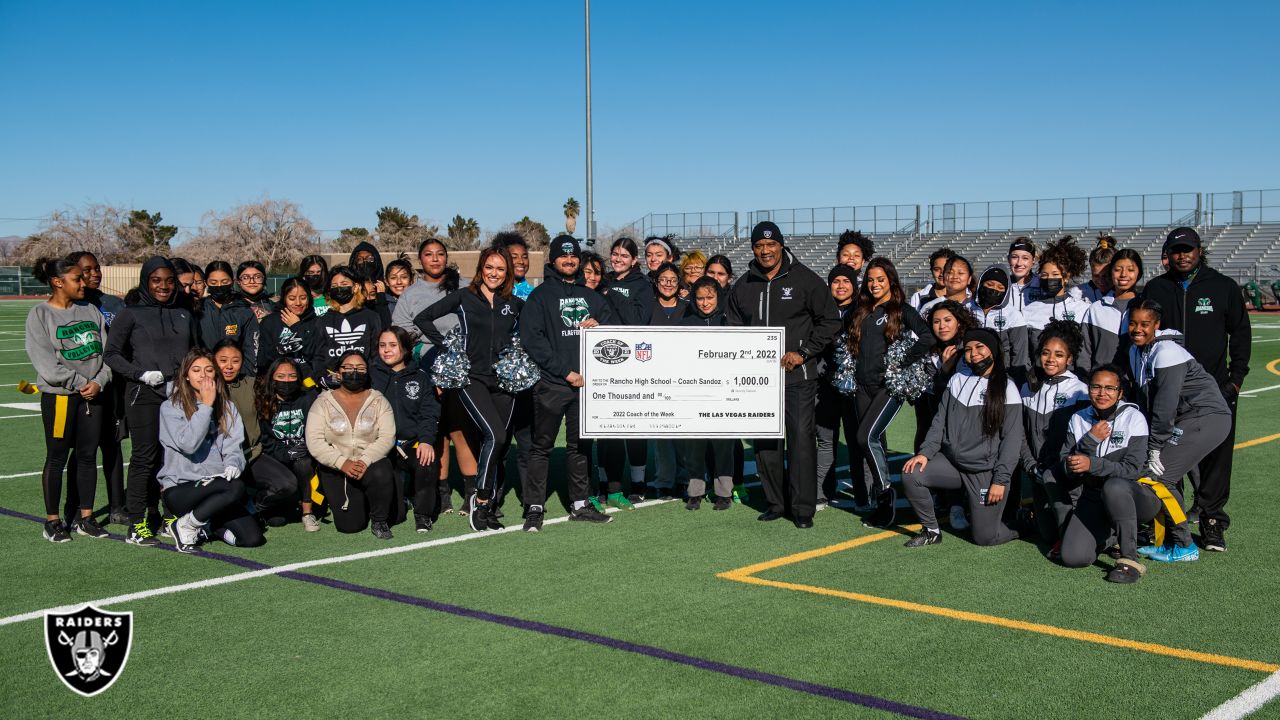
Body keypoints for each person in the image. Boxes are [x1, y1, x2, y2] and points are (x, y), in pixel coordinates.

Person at [1140, 227, 1250, 552]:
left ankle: (1212, 520)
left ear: (1199, 251)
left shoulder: (1222, 287)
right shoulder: (1156, 288)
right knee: (1171, 457)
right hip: (1168, 390)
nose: (1182, 255)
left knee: (1217, 458)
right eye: (1176, 251)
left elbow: (1241, 334)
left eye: (1188, 249)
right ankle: (1169, 518)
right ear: (1167, 255)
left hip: (1213, 392)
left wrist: (1236, 379)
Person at [728, 221, 841, 529]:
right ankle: (776, 503)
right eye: (759, 246)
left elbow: (830, 321)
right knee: (765, 442)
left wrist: (804, 352)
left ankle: (803, 508)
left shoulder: (805, 279)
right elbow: (734, 329)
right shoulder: (743, 285)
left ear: (781, 245)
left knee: (801, 440)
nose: (765, 251)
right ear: (753, 249)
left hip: (798, 377)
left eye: (771, 245)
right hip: (758, 382)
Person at [416, 247, 521, 532]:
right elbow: (422, 319)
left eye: (500, 269)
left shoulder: (513, 303)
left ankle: (490, 507)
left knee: (498, 446)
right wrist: (447, 346)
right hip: (471, 378)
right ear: (480, 268)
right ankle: (481, 500)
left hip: (502, 380)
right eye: (489, 267)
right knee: (496, 435)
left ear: (507, 272)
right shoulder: (464, 297)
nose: (494, 273)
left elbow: (532, 331)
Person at [518, 235, 617, 531]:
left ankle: (579, 503)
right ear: (552, 260)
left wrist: (601, 327)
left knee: (580, 447)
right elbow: (532, 340)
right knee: (542, 447)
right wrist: (565, 372)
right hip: (553, 384)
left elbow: (616, 331)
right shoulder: (540, 296)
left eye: (573, 256)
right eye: (563, 256)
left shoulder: (593, 297)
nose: (569, 260)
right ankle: (534, 507)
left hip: (586, 385)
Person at [1127, 299, 1232, 560]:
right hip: (1186, 421)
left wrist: (1154, 448)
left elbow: (1165, 407)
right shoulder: (1136, 351)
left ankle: (1184, 545)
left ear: (1157, 325)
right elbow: (1147, 403)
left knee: (1158, 476)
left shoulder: (1167, 351)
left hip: (1207, 417)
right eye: (1132, 323)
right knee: (1159, 476)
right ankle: (1165, 542)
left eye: (1145, 324)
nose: (1137, 329)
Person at [105, 256, 198, 547]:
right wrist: (140, 374)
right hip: (143, 394)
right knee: (145, 458)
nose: (164, 286)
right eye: (156, 280)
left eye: (169, 281)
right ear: (146, 281)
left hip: (178, 395)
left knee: (174, 457)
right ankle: (137, 523)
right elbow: (112, 355)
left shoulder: (183, 314)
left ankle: (169, 516)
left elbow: (195, 352)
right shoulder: (130, 313)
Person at [901, 328, 1022, 548]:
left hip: (984, 471)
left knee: (984, 538)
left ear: (993, 351)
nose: (973, 353)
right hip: (953, 464)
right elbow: (939, 422)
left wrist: (1000, 480)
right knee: (912, 474)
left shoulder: (1008, 388)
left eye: (979, 347)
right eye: (968, 349)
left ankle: (1019, 526)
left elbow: (1012, 441)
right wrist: (925, 453)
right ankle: (931, 531)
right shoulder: (957, 379)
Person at [25, 257, 111, 542]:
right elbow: (48, 366)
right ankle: (52, 521)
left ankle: (85, 518)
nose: (84, 283)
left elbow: (107, 356)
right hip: (61, 398)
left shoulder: (91, 311)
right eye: (77, 278)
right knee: (57, 456)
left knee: (87, 457)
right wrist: (80, 383)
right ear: (58, 282)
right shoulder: (40, 315)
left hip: (93, 396)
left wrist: (99, 382)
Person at [846, 257, 934, 528]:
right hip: (862, 385)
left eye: (880, 280)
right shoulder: (860, 310)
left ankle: (886, 495)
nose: (874, 284)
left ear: (891, 281)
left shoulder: (901, 310)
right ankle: (880, 501)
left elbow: (927, 337)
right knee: (875, 442)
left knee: (865, 436)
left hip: (889, 386)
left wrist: (903, 361)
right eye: (870, 280)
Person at [158, 349, 263, 551]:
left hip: (218, 489)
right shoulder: (171, 407)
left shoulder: (228, 407)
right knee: (235, 487)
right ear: (186, 376)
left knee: (252, 538)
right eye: (196, 370)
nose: (204, 375)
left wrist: (233, 464)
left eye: (209, 370)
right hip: (182, 489)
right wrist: (206, 406)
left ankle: (208, 526)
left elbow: (234, 446)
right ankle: (185, 525)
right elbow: (188, 444)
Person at [1057, 365, 1153, 583]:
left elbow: (1133, 470)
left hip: (1136, 498)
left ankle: (1129, 560)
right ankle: (1111, 536)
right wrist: (1089, 442)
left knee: (1115, 486)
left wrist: (1092, 464)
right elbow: (1065, 466)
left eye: (1110, 388)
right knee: (1073, 557)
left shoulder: (1134, 418)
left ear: (1120, 393)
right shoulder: (1078, 418)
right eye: (1096, 387)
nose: (1102, 393)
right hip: (1094, 496)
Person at [305, 350, 398, 538]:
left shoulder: (379, 400)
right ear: (338, 373)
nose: (354, 372)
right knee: (350, 526)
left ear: (367, 372)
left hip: (371, 465)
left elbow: (387, 436)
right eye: (348, 367)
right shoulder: (322, 402)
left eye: (360, 368)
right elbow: (314, 441)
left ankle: (379, 519)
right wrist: (342, 463)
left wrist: (365, 460)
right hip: (337, 469)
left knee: (384, 478)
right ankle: (362, 499)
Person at [1019, 320, 1090, 550]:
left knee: (1067, 539)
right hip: (1036, 473)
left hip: (1064, 475)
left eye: (1059, 355)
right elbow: (1019, 431)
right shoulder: (1028, 387)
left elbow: (1080, 441)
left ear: (1069, 359)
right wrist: (1030, 464)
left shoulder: (1079, 391)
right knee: (1047, 536)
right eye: (1046, 353)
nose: (1051, 359)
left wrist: (1058, 466)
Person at [68, 250, 128, 524]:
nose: (94, 274)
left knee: (112, 447)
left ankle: (117, 507)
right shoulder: (70, 306)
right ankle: (76, 507)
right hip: (81, 390)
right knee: (81, 451)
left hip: (112, 387)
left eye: (97, 268)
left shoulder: (114, 305)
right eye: (86, 270)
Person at [596, 238, 654, 507]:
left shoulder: (642, 285)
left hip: (633, 363)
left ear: (634, 260)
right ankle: (606, 481)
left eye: (624, 255)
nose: (618, 259)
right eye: (615, 254)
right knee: (605, 427)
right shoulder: (603, 280)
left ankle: (639, 481)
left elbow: (638, 320)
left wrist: (614, 294)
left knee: (634, 426)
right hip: (602, 361)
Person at [371, 327, 441, 533]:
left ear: (406, 349)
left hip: (410, 443)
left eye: (393, 345)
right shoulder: (370, 376)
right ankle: (389, 509)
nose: (386, 350)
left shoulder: (420, 377)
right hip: (381, 445)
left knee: (426, 462)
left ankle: (423, 514)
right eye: (382, 345)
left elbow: (429, 413)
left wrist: (427, 440)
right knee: (397, 515)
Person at [915, 300, 978, 528]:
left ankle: (956, 505)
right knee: (924, 435)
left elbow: (956, 391)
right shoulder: (928, 347)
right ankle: (934, 493)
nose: (942, 326)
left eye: (947, 320)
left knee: (952, 453)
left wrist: (945, 369)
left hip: (962, 418)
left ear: (959, 322)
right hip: (931, 415)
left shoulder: (969, 348)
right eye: (936, 321)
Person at [679, 276, 735, 510]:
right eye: (700, 298)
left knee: (723, 444)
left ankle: (724, 492)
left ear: (718, 296)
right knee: (694, 445)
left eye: (709, 297)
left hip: (724, 392)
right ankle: (695, 491)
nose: (704, 303)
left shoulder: (729, 319)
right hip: (695, 392)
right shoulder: (687, 320)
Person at [253, 357, 321, 531]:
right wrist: (286, 453)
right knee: (277, 521)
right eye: (281, 376)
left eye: (292, 376)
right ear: (272, 378)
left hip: (304, 458)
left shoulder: (308, 398)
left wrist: (308, 446)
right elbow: (267, 442)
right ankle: (259, 504)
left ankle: (307, 512)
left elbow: (317, 429)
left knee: (303, 461)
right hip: (276, 459)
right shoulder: (263, 401)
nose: (287, 380)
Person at [815, 265, 862, 510]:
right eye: (836, 281)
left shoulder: (864, 311)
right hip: (826, 386)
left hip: (855, 388)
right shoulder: (822, 311)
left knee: (858, 441)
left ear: (855, 285)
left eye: (846, 281)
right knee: (825, 439)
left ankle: (864, 493)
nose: (841, 285)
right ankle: (822, 491)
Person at [1022, 236, 1091, 361]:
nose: (1049, 279)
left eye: (1055, 274)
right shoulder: (1029, 310)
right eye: (1044, 275)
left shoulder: (1083, 308)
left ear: (1066, 277)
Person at [312, 265, 382, 386]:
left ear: (356, 287)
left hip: (365, 385)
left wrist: (367, 376)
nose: (339, 288)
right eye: (334, 286)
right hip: (333, 388)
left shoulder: (371, 317)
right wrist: (325, 377)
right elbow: (318, 357)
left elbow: (376, 354)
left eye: (344, 284)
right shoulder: (323, 321)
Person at [1079, 248, 1143, 376]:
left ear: (1139, 273)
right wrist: (1087, 381)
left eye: (1130, 270)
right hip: (1101, 387)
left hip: (1135, 389)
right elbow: (1084, 352)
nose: (1123, 274)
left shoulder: (1145, 307)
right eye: (1117, 269)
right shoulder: (1096, 309)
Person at [964, 265, 1029, 386]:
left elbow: (1019, 355)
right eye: (989, 284)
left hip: (1001, 376)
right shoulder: (966, 309)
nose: (994, 290)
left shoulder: (1013, 315)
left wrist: (1015, 381)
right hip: (968, 373)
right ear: (981, 284)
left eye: (1000, 287)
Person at [199, 261, 260, 373]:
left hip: (236, 377)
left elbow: (251, 349)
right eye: (213, 282)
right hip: (205, 375)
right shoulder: (198, 310)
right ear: (206, 283)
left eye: (224, 281)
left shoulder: (244, 311)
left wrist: (246, 378)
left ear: (232, 282)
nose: (219, 286)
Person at [256, 277, 318, 379]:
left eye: (303, 298)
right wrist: (281, 350)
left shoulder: (317, 322)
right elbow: (263, 360)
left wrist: (297, 327)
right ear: (284, 298)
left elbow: (317, 355)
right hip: (279, 382)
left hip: (308, 384)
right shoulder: (270, 322)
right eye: (292, 298)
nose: (298, 303)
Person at [493, 233, 535, 299]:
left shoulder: (536, 294)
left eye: (525, 257)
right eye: (514, 257)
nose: (521, 261)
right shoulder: (492, 292)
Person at [377, 258, 415, 330]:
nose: (399, 282)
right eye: (393, 278)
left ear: (411, 279)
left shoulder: (418, 301)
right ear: (386, 282)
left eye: (404, 277)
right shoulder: (383, 303)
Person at [1079, 236, 1115, 303]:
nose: (1101, 281)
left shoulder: (1125, 295)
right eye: (1096, 275)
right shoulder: (1078, 293)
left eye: (1105, 276)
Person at [1006, 238, 1038, 313]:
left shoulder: (1043, 284)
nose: (1019, 263)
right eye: (1014, 257)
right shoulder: (1001, 286)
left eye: (1025, 258)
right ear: (1008, 259)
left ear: (1033, 260)